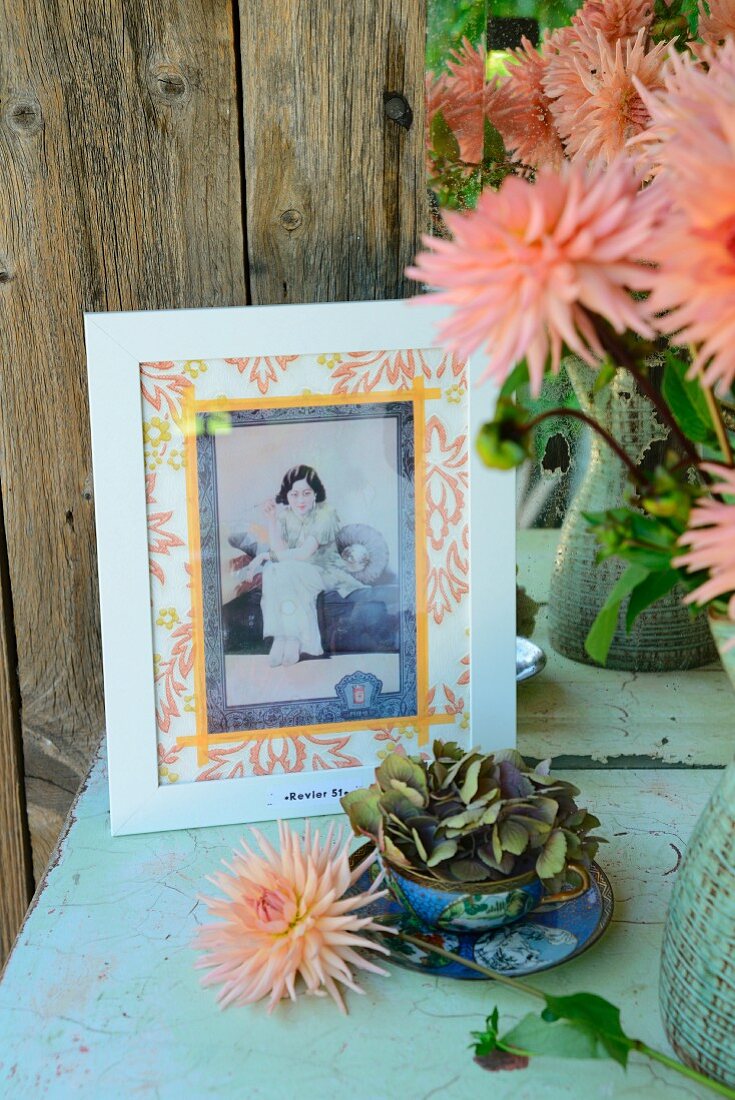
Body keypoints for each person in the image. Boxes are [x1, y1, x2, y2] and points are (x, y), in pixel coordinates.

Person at [244, 465, 365, 667]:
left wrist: (265, 555)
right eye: (295, 494)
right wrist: (272, 521)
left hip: (324, 572)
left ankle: (294, 639)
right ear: (287, 495)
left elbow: (303, 554)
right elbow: (281, 550)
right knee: (273, 570)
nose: (301, 500)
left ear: (315, 493)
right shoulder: (285, 515)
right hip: (295, 571)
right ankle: (280, 637)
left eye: (307, 493)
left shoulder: (326, 513)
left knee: (282, 567)